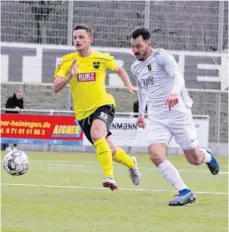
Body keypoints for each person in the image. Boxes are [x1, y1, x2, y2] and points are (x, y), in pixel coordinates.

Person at [130, 27, 219, 206]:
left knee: (194, 159)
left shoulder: (162, 57)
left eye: (138, 46)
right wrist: (141, 113)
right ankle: (184, 191)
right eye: (132, 46)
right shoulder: (135, 67)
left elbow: (178, 77)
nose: (135, 50)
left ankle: (206, 156)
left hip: (178, 113)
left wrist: (174, 93)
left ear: (149, 44)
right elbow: (141, 90)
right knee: (155, 154)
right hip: (156, 117)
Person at [53, 24, 141, 191]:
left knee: (96, 133)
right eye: (75, 38)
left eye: (81, 37)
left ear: (90, 39)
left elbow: (119, 69)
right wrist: (69, 76)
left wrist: (129, 85)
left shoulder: (101, 58)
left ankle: (110, 177)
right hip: (82, 113)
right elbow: (55, 87)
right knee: (111, 149)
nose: (77, 40)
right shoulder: (67, 61)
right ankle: (131, 163)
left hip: (103, 105)